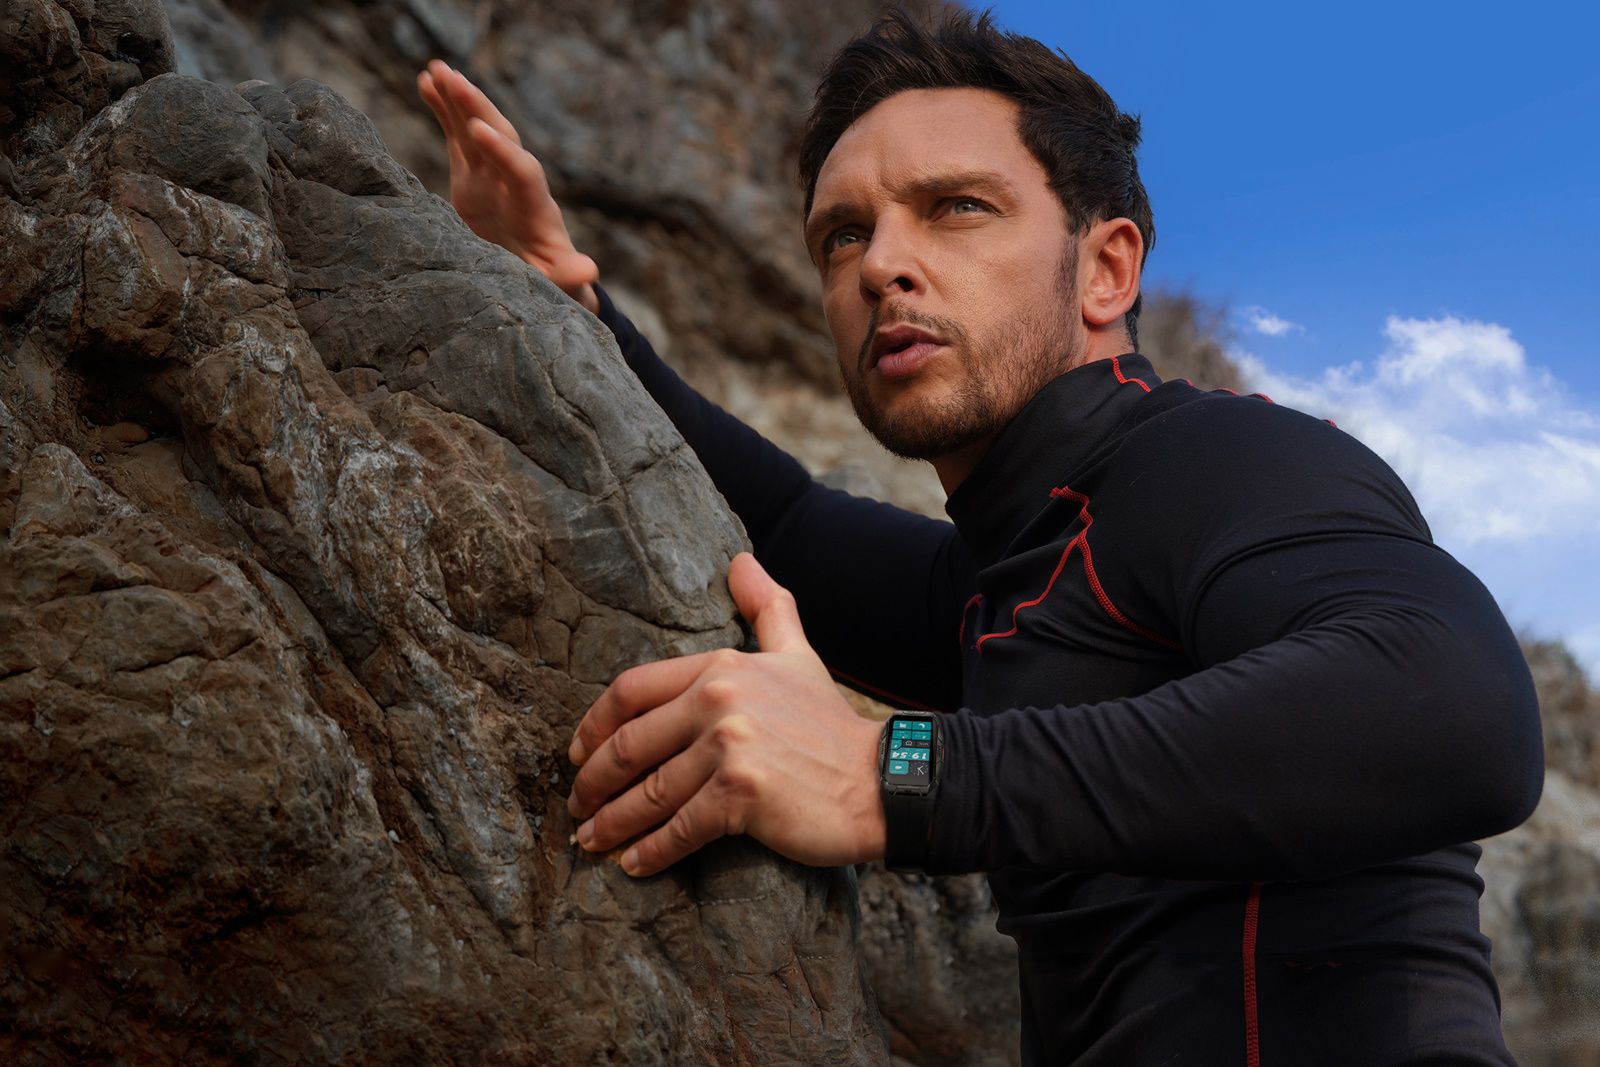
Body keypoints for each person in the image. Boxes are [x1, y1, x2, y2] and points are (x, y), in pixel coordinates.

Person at [418, 10, 1544, 1064]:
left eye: (955, 206)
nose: (878, 265)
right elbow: (793, 523)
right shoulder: (1008, 572)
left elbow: (1459, 707)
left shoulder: (1217, 461)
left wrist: (886, 772)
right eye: (843, 234)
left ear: (1106, 269)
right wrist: (572, 307)